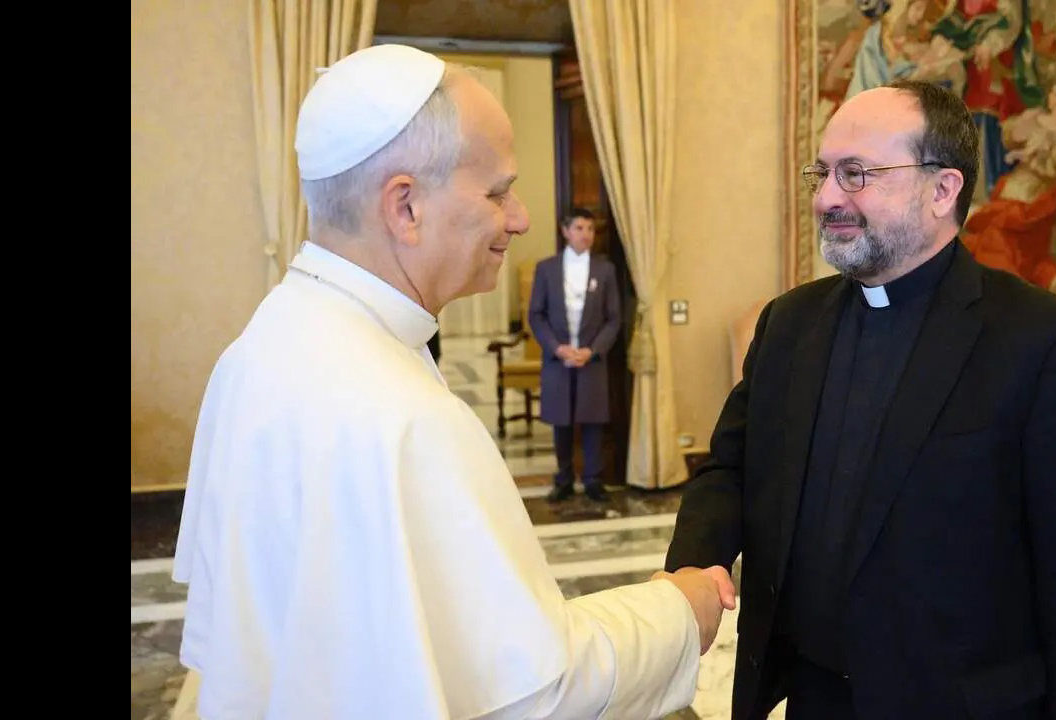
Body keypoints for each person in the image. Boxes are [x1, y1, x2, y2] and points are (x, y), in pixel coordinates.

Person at [172, 44, 733, 720]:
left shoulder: (259, 346)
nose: (521, 218)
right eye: (497, 191)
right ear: (404, 207)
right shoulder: (403, 415)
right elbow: (537, 693)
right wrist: (679, 610)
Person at [665, 79, 1056, 719]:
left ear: (942, 190)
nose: (827, 197)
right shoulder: (790, 324)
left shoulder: (1044, 343)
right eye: (823, 173)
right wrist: (692, 569)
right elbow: (731, 468)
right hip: (811, 695)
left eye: (856, 174)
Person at [528, 207, 621, 503]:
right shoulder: (547, 269)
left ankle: (593, 479)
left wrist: (592, 351)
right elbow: (536, 315)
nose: (586, 234)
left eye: (590, 229)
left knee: (593, 420)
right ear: (565, 231)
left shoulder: (605, 270)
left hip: (591, 359)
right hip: (558, 358)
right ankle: (564, 478)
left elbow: (614, 319)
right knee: (562, 421)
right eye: (580, 228)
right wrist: (557, 348)